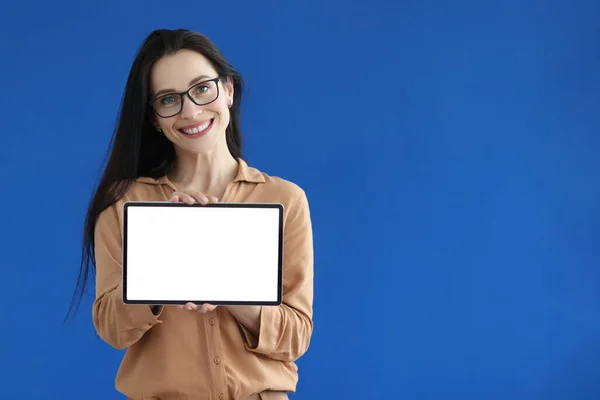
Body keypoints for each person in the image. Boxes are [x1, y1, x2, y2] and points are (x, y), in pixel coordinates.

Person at [66, 28, 314, 400]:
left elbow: (296, 337)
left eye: (202, 89)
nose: (191, 111)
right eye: (169, 99)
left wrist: (227, 285)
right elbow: (112, 330)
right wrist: (162, 257)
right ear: (154, 118)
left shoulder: (285, 199)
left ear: (228, 90)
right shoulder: (123, 205)